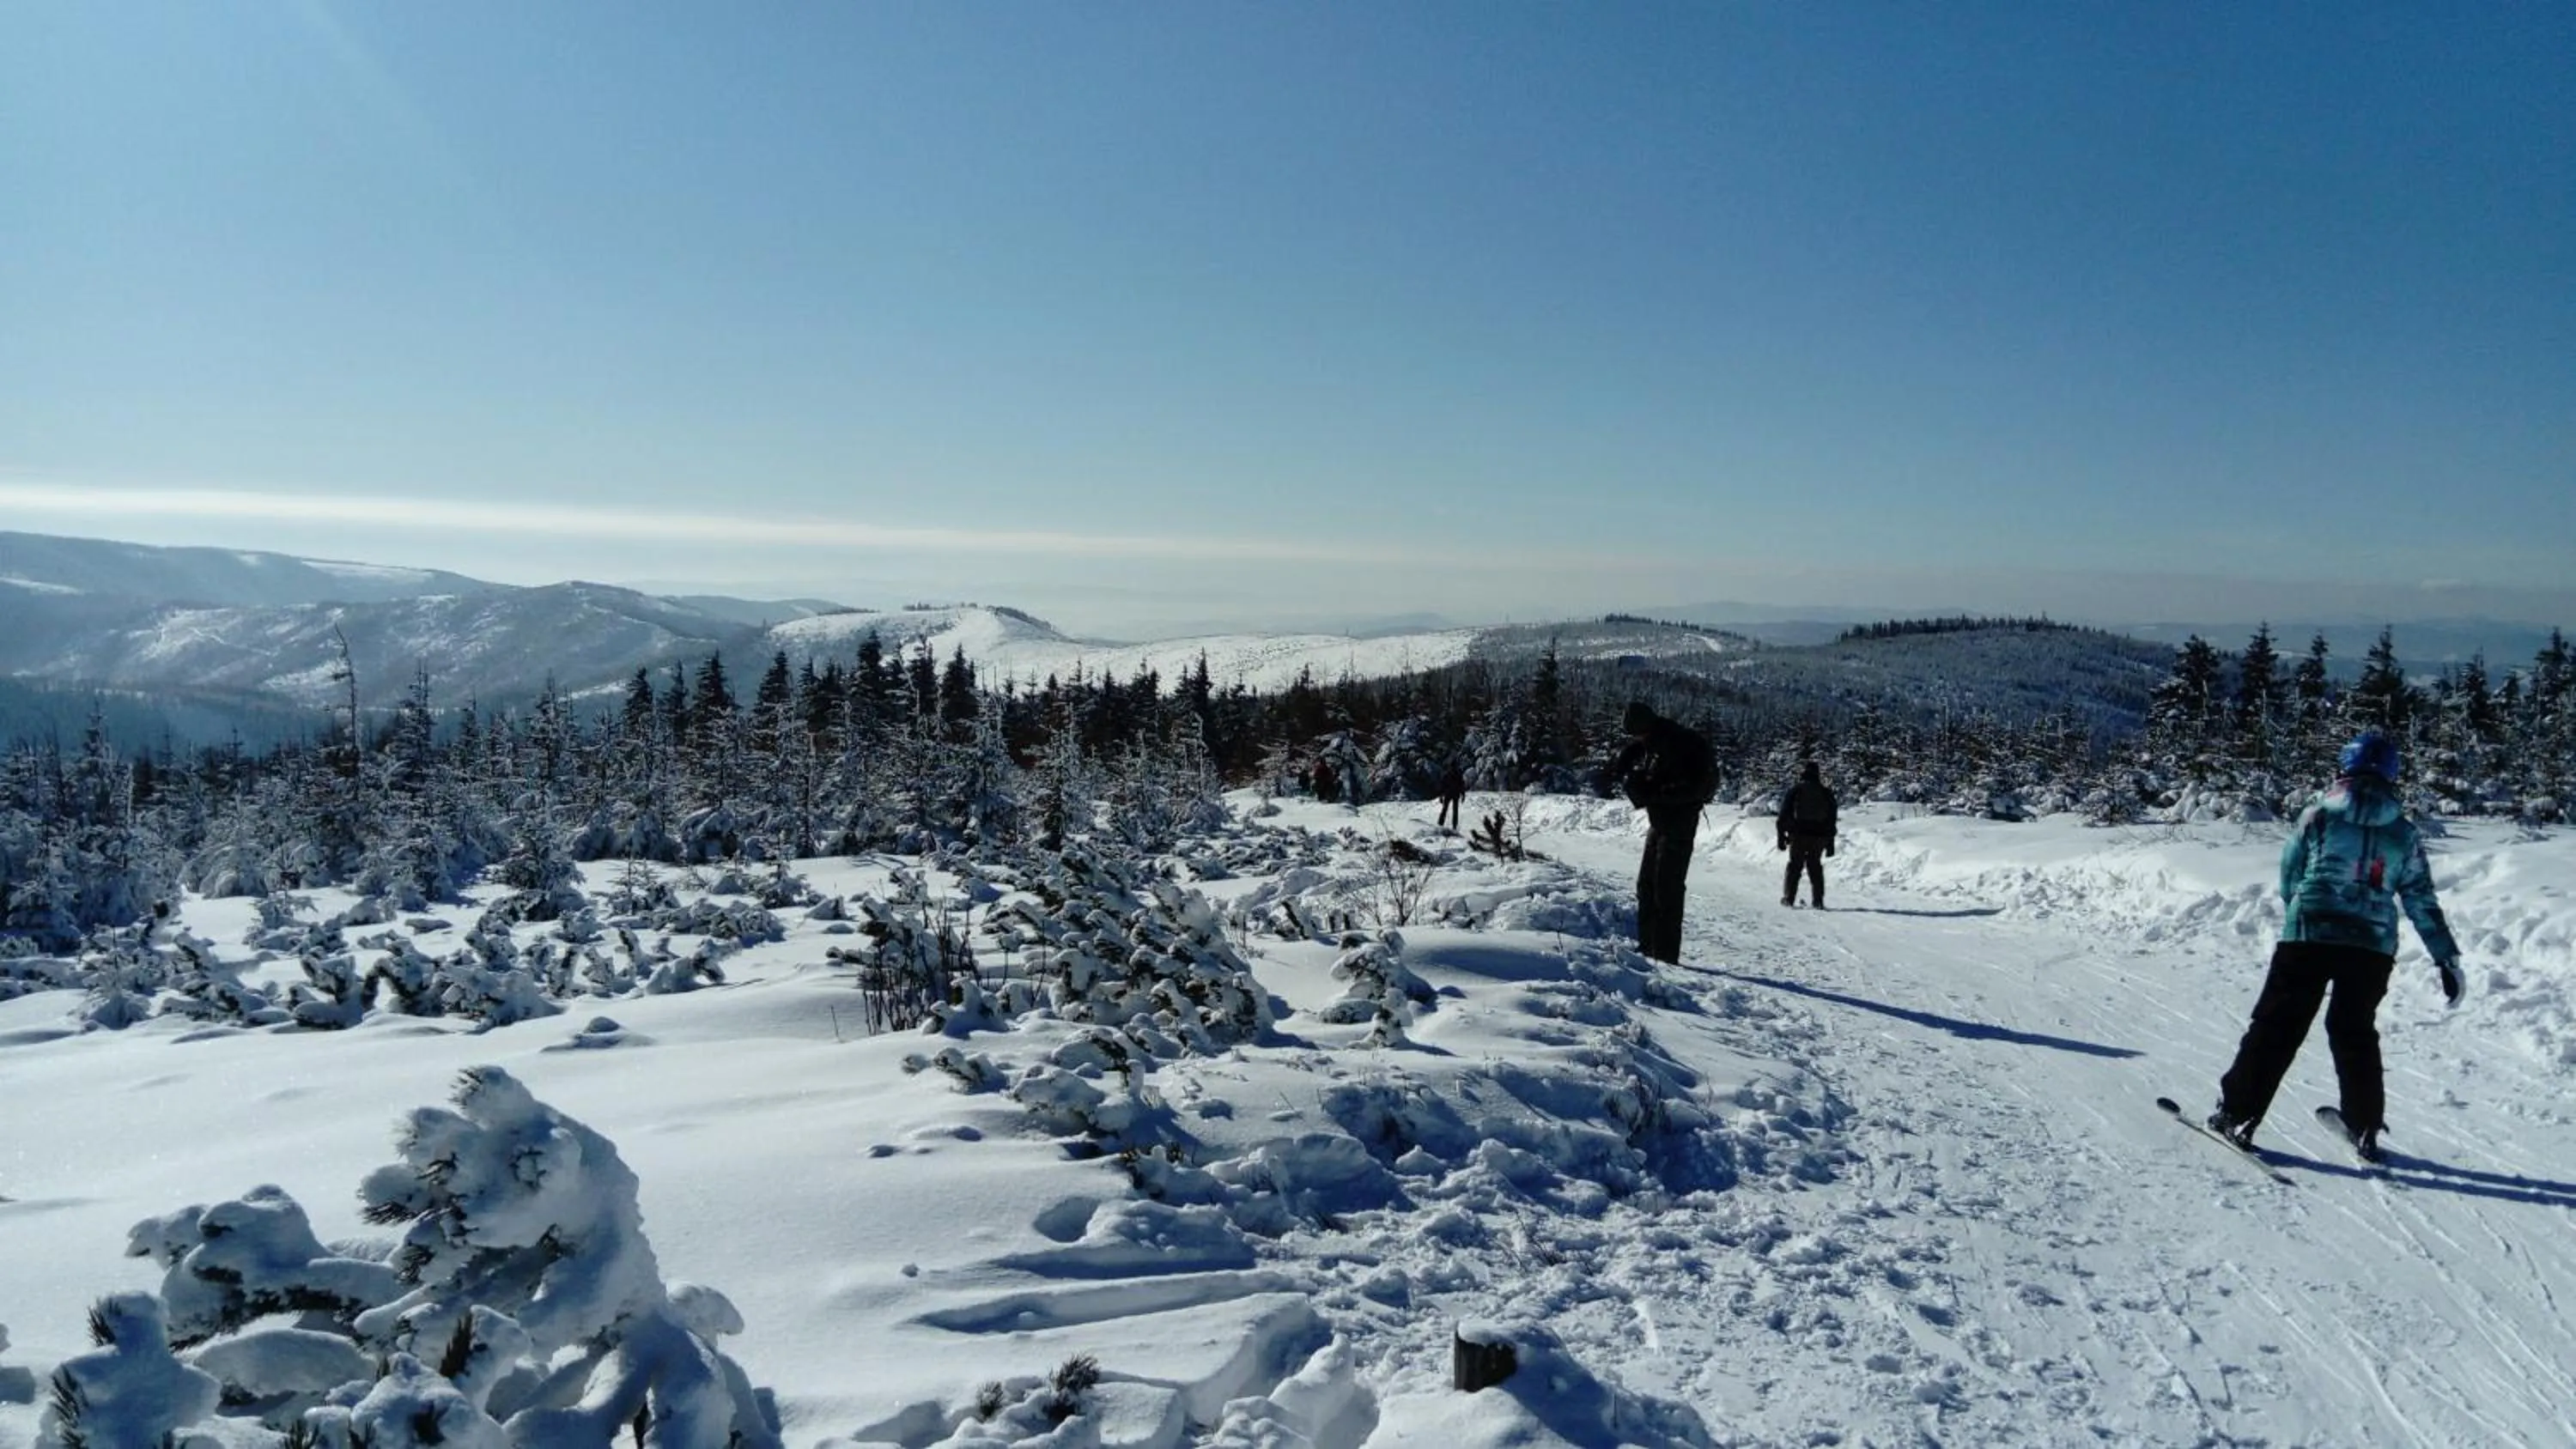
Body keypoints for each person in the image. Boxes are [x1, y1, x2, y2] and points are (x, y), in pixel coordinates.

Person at [2208, 730, 2464, 1163]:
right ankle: (2364, 1126)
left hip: (2309, 935)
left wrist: (2300, 913)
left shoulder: (2318, 816)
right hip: (2372, 947)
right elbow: (2419, 896)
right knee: (2354, 1031)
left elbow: (2291, 874)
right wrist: (2446, 956)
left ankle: (2238, 1114)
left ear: (2344, 768)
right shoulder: (2403, 833)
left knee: (2277, 1025)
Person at [1600, 700, 1717, 964]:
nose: (1637, 739)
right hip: (1660, 822)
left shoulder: (1678, 745)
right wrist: (1626, 769)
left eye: (1637, 733)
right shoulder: (1654, 742)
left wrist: (1653, 793)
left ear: (1646, 727)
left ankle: (1665, 957)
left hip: (1679, 823)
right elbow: (1640, 757)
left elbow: (1693, 789)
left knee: (1667, 890)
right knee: (1647, 886)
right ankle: (1648, 949)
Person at [1777, 761, 1838, 908]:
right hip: (1819, 837)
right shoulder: (1825, 792)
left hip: (1798, 835)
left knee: (1795, 866)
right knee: (1815, 866)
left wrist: (1781, 837)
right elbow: (1831, 819)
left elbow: (1783, 815)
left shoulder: (1796, 790)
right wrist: (1830, 843)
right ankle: (1818, 901)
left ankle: (1789, 898)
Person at [1435, 760, 1469, 833]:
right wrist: (1463, 795)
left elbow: (1442, 786)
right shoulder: (1457, 774)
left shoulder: (1448, 775)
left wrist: (1441, 796)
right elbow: (1462, 786)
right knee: (1453, 811)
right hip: (1454, 795)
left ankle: (1441, 824)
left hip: (1449, 794)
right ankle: (1453, 827)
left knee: (1446, 810)